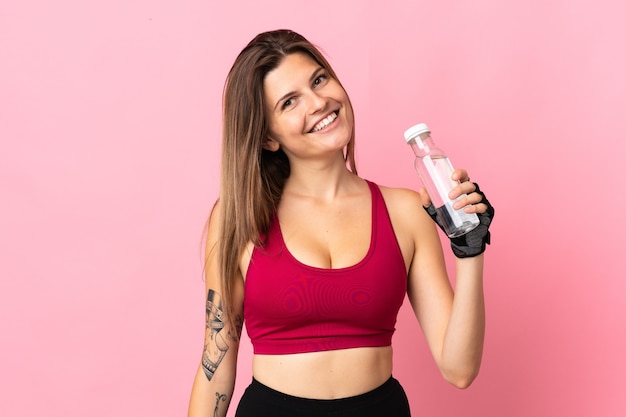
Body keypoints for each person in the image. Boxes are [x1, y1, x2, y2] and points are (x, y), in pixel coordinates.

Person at [188, 29, 494, 417]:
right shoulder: (240, 217)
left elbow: (460, 369)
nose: (319, 102)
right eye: (289, 102)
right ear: (267, 137)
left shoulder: (405, 211)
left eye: (319, 80)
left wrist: (470, 249)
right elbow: (215, 364)